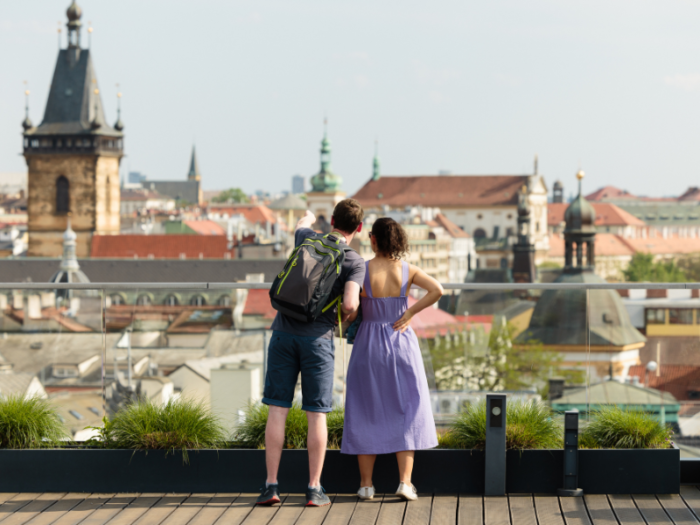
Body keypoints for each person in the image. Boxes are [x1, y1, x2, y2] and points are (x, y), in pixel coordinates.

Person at [257, 199, 365, 507]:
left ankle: (271, 486)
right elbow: (350, 304)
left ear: (331, 220)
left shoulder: (307, 238)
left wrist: (305, 216)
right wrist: (345, 320)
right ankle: (314, 488)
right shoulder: (353, 261)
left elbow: (301, 224)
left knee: (277, 409)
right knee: (316, 413)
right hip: (317, 340)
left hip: (282, 333)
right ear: (358, 228)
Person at [341, 217, 443, 501]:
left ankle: (365, 485)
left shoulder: (362, 269)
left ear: (373, 239)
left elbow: (348, 310)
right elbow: (437, 290)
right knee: (407, 409)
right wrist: (409, 313)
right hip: (401, 343)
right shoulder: (408, 270)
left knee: (364, 410)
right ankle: (405, 483)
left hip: (368, 344)